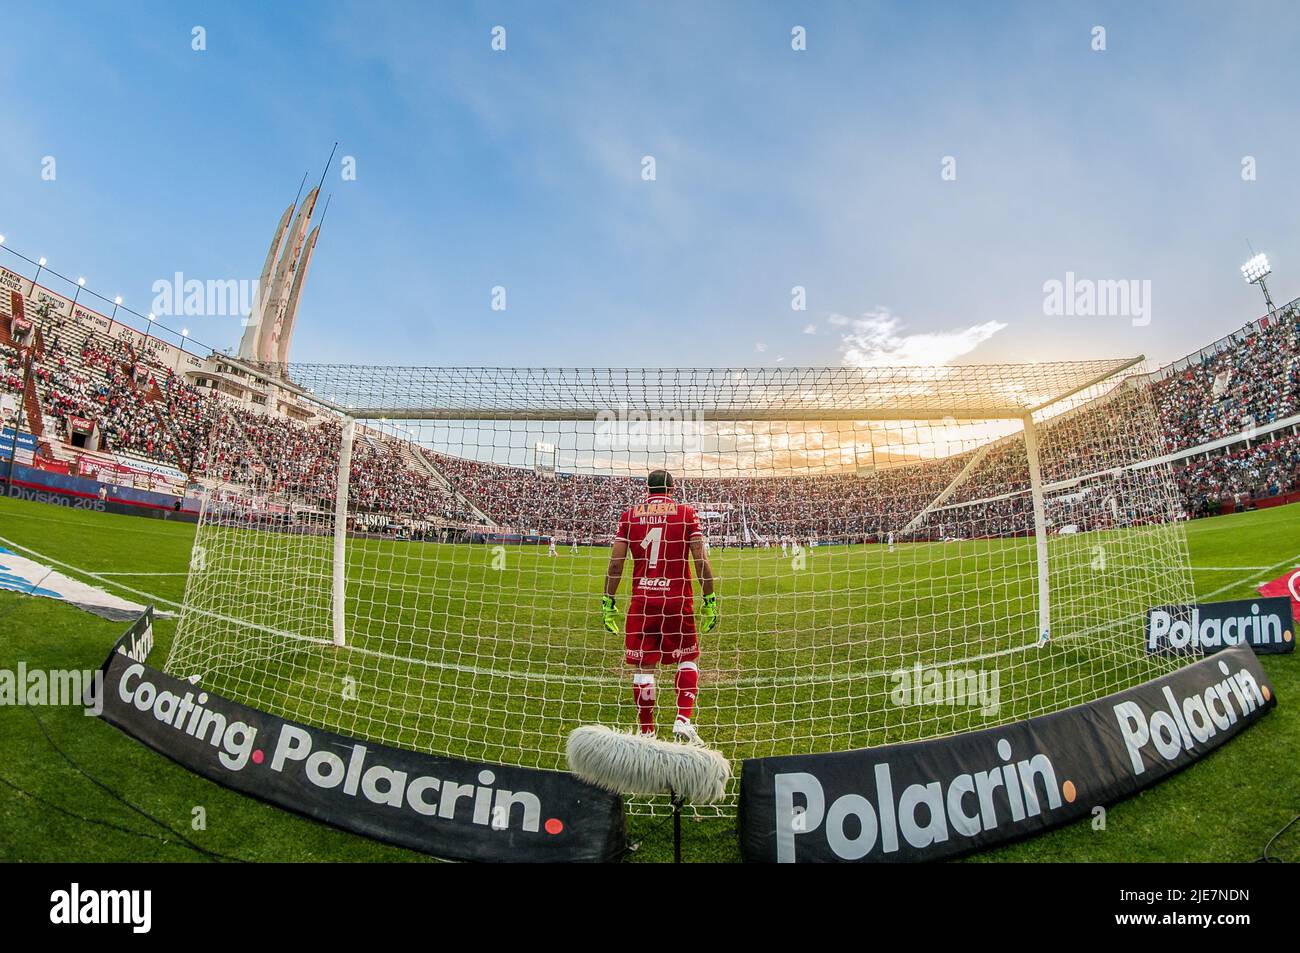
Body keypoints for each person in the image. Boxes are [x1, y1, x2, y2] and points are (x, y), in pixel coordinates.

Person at [601, 469, 717, 744]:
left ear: (647, 489)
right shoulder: (686, 513)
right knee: (687, 658)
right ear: (672, 488)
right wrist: (709, 599)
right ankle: (683, 720)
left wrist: (608, 600)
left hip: (643, 602)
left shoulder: (629, 515)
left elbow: (616, 563)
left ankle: (646, 731)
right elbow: (700, 559)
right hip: (677, 600)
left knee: (644, 668)